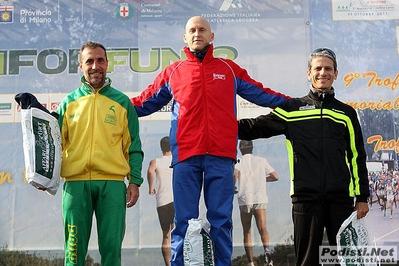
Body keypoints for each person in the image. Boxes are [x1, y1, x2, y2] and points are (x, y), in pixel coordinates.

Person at [131, 16, 289, 266]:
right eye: (192, 30)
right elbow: (143, 103)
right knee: (184, 221)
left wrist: (292, 103)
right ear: (185, 37)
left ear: (211, 36)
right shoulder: (173, 71)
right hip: (185, 157)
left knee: (221, 221)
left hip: (221, 156)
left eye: (202, 29)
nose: (197, 33)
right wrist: (114, 105)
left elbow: (261, 93)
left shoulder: (228, 69)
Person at [238, 48, 370, 266]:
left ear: (336, 73)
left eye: (328, 68)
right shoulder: (292, 109)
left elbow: (357, 156)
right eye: (318, 68)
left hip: (340, 199)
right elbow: (254, 127)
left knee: (347, 261)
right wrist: (218, 123)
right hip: (305, 198)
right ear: (309, 73)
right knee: (307, 261)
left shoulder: (346, 113)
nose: (323, 73)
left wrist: (362, 197)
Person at [57, 41, 143, 266]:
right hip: (75, 185)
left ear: (107, 64)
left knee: (112, 252)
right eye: (89, 61)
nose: (95, 66)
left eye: (100, 60)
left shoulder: (123, 102)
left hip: (112, 185)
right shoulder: (68, 103)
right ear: (80, 66)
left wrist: (134, 181)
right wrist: (43, 177)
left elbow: (133, 147)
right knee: (73, 254)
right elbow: (55, 145)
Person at [235, 140, 278, 266]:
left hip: (244, 200)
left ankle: (251, 262)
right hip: (259, 198)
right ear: (252, 148)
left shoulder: (238, 161)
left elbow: (235, 175)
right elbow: (275, 176)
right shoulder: (261, 160)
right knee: (263, 229)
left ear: (240, 149)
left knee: (246, 231)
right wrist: (261, 179)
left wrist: (233, 186)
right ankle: (268, 258)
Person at [147, 136, 174, 266]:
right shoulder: (177, 160)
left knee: (166, 235)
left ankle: (168, 264)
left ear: (161, 147)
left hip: (163, 201)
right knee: (178, 232)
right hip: (177, 200)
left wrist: (151, 187)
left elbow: (150, 171)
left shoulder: (155, 161)